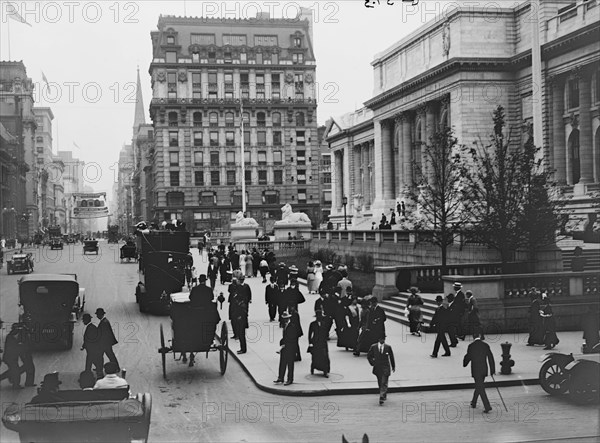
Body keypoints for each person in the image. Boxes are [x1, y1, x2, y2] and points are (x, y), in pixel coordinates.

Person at [463, 332, 495, 413]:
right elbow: (490, 357)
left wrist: (465, 363)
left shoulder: (471, 346)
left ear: (473, 337)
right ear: (480, 336)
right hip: (484, 369)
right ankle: (473, 402)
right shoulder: (485, 345)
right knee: (479, 385)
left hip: (475, 369)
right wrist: (492, 370)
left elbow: (468, 356)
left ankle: (487, 406)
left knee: (480, 387)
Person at [367, 336, 395, 405]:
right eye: (381, 339)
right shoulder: (374, 346)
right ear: (379, 339)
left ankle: (381, 396)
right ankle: (383, 393)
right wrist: (372, 363)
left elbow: (391, 357)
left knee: (384, 381)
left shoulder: (388, 347)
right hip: (378, 367)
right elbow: (369, 356)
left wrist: (393, 366)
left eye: (384, 339)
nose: (383, 340)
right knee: (380, 381)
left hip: (386, 367)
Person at [274, 312, 299, 386]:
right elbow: (285, 337)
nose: (284, 320)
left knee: (290, 364)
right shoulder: (285, 326)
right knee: (282, 363)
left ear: (288, 318)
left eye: (286, 319)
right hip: (285, 348)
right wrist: (282, 343)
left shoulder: (292, 326)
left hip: (290, 348)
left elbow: (294, 338)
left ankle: (290, 379)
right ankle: (280, 378)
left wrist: (285, 344)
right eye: (284, 319)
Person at [231, 275, 251, 354]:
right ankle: (242, 348)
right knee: (241, 333)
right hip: (242, 315)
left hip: (241, 317)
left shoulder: (245, 287)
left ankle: (243, 349)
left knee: (241, 333)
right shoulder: (238, 287)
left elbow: (248, 294)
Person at [308, 310, 330, 377]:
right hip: (316, 342)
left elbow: (326, 332)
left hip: (323, 343)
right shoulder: (312, 324)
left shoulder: (324, 323)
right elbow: (310, 334)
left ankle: (325, 371)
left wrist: (326, 338)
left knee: (324, 356)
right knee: (315, 356)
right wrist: (310, 343)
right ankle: (313, 368)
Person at [81, 313, 104, 378]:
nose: (83, 322)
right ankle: (94, 371)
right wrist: (83, 346)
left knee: (90, 360)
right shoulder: (91, 326)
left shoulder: (91, 328)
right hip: (92, 348)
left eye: (83, 320)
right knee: (91, 360)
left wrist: (85, 346)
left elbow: (90, 340)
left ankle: (89, 373)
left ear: (86, 320)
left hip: (92, 349)